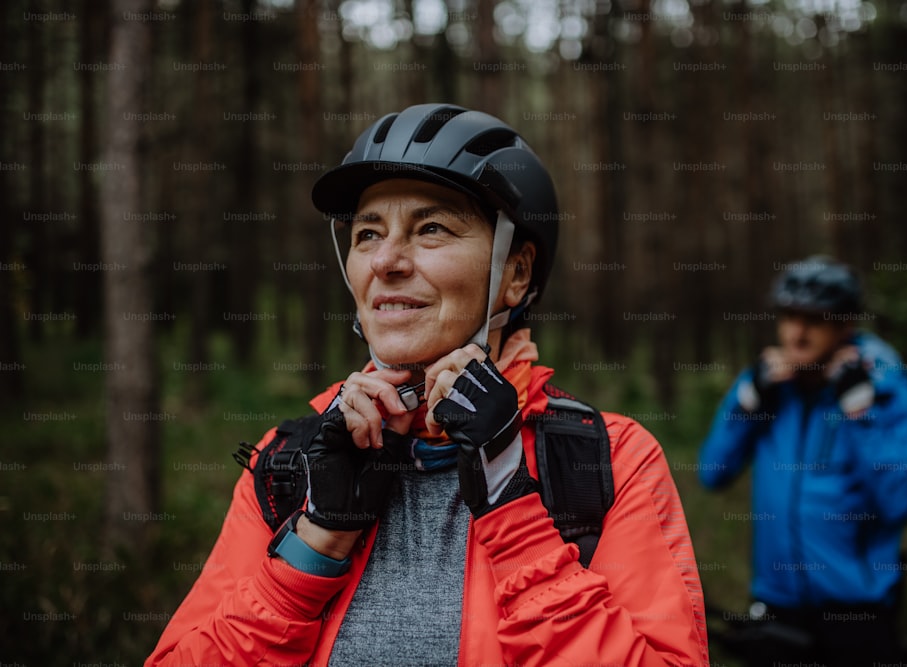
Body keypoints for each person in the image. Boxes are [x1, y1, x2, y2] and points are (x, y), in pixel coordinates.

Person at [147, 104, 709, 666]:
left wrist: (512, 507)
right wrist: (315, 544)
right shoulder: (290, 463)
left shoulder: (605, 458)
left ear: (515, 274)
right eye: (368, 233)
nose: (386, 260)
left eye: (432, 228)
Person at [698, 256, 907, 666]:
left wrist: (860, 411)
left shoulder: (883, 386)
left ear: (845, 326)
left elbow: (902, 500)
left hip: (855, 607)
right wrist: (749, 400)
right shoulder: (768, 385)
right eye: (789, 316)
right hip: (776, 599)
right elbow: (712, 472)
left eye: (815, 319)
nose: (797, 332)